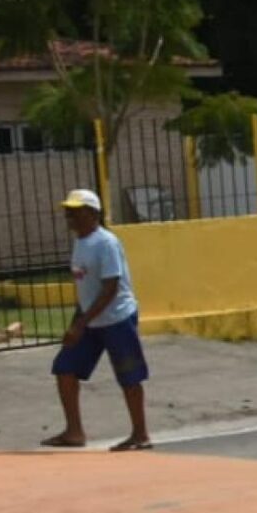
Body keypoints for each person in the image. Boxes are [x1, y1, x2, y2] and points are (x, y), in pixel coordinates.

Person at [43, 187, 152, 451]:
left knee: (129, 375)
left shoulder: (106, 243)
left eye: (75, 211)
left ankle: (140, 434)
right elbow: (86, 290)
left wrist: (81, 324)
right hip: (91, 320)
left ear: (93, 214)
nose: (69, 217)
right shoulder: (81, 242)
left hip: (117, 318)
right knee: (64, 368)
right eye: (68, 212)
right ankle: (74, 432)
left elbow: (110, 287)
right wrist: (77, 323)